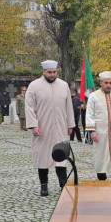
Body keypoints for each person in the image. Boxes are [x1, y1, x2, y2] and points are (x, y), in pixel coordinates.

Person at [25, 60, 75, 196]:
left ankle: (63, 184)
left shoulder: (63, 85)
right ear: (44, 72)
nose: (52, 75)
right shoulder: (34, 86)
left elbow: (69, 106)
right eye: (49, 72)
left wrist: (70, 124)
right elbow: (29, 107)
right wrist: (33, 125)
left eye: (54, 72)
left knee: (61, 157)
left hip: (60, 127)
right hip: (42, 128)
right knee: (43, 157)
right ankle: (44, 185)